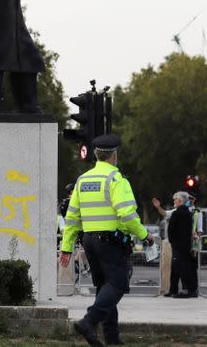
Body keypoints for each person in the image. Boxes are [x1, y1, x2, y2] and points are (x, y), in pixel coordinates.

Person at [59, 134, 153, 347]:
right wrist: (145, 235)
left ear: (96, 155)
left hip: (90, 242)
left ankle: (112, 339)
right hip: (110, 242)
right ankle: (88, 322)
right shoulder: (116, 179)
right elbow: (127, 215)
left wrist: (66, 248)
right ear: (114, 155)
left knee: (104, 289)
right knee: (118, 284)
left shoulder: (82, 181)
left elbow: (72, 218)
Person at [167, 191, 195, 298]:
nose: (174, 201)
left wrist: (172, 241)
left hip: (177, 246)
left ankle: (183, 290)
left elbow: (171, 230)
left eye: (175, 199)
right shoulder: (188, 214)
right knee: (177, 267)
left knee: (178, 268)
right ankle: (175, 289)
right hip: (185, 245)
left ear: (180, 201)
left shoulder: (177, 213)